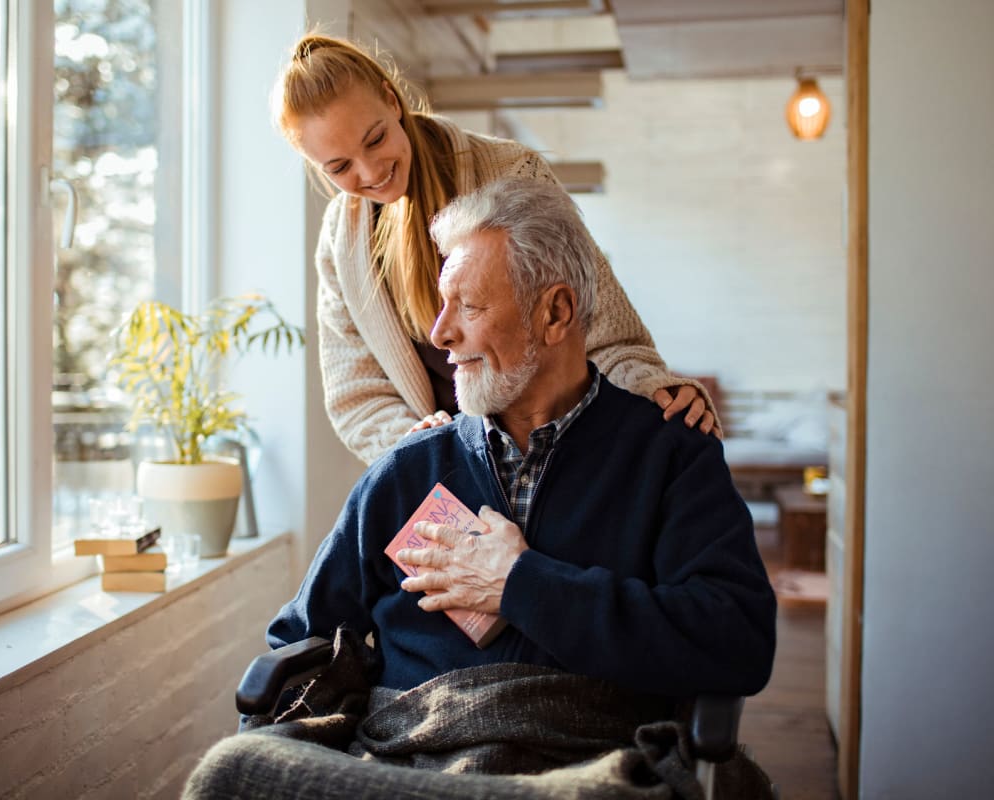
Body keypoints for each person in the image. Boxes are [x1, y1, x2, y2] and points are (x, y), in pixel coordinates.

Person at [182, 178, 775, 800]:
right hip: (407, 758)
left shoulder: (671, 456)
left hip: (586, 762)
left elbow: (737, 643)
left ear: (555, 313)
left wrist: (521, 584)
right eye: (441, 305)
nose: (440, 334)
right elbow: (300, 637)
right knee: (233, 769)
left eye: (468, 306)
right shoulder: (410, 469)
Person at [272, 32, 721, 465]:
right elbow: (357, 394)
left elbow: (600, 322)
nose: (370, 171)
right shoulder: (340, 242)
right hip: (445, 472)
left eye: (375, 139)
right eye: (339, 167)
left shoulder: (512, 171)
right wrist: (414, 446)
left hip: (558, 450)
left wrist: (653, 389)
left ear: (392, 101)